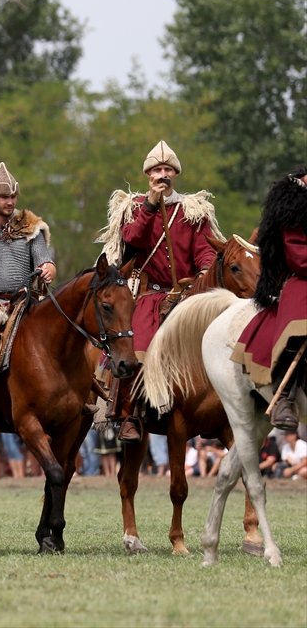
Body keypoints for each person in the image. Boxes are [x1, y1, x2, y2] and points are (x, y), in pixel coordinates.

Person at [98, 141, 221, 443]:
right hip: (148, 295)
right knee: (135, 347)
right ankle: (130, 415)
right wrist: (151, 205)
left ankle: (217, 409)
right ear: (148, 175)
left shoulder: (193, 210)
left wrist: (205, 273)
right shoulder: (134, 207)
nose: (162, 174)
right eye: (156, 170)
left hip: (187, 294)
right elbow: (133, 240)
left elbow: (205, 250)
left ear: (175, 173)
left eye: (167, 169)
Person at [0, 162, 56, 440]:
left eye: (13, 197)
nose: (10, 202)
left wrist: (48, 266)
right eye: (5, 197)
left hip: (26, 302)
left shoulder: (31, 227)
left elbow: (45, 259)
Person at [232, 168, 306, 431]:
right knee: (301, 324)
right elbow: (298, 256)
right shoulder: (295, 206)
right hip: (301, 277)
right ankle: (284, 397)